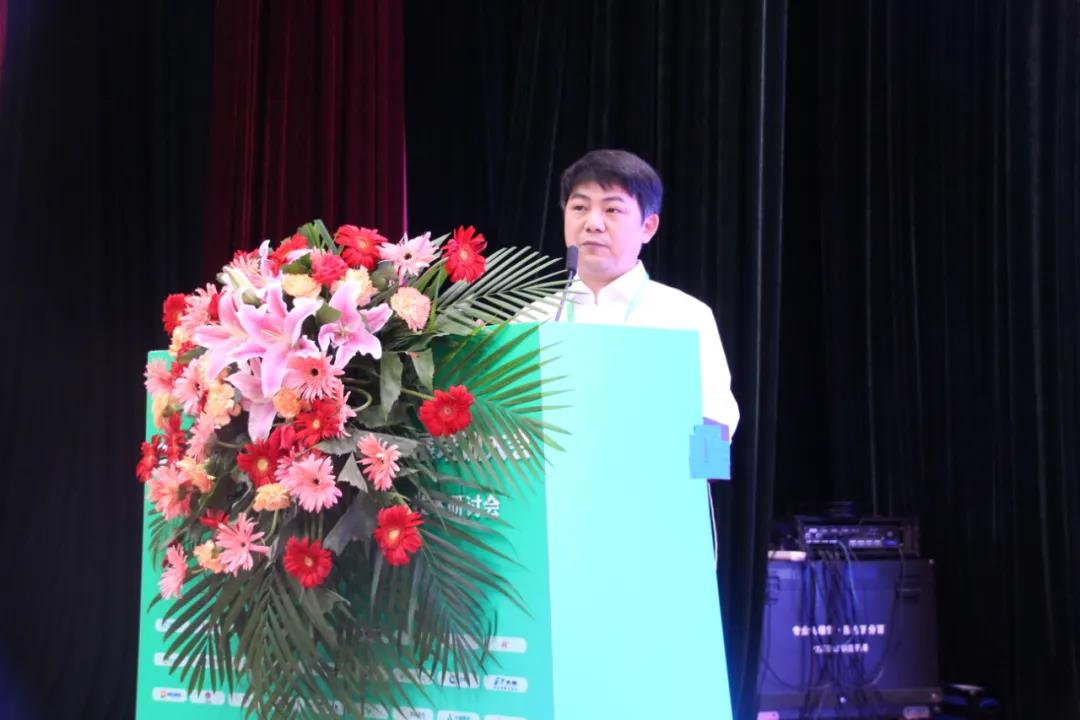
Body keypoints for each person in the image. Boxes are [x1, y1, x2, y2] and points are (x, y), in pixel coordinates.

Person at [540, 148, 740, 437]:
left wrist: (697, 472)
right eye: (580, 207)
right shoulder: (533, 317)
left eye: (612, 210)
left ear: (648, 227)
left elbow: (717, 422)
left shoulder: (686, 316)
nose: (593, 223)